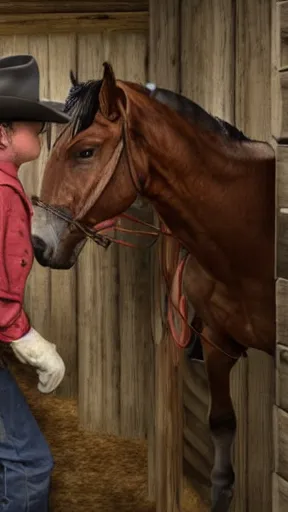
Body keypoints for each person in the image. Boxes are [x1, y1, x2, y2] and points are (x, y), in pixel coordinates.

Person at [0, 54, 70, 512]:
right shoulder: (3, 192)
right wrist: (28, 341)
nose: (40, 134)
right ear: (1, 133)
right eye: (32, 125)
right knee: (28, 463)